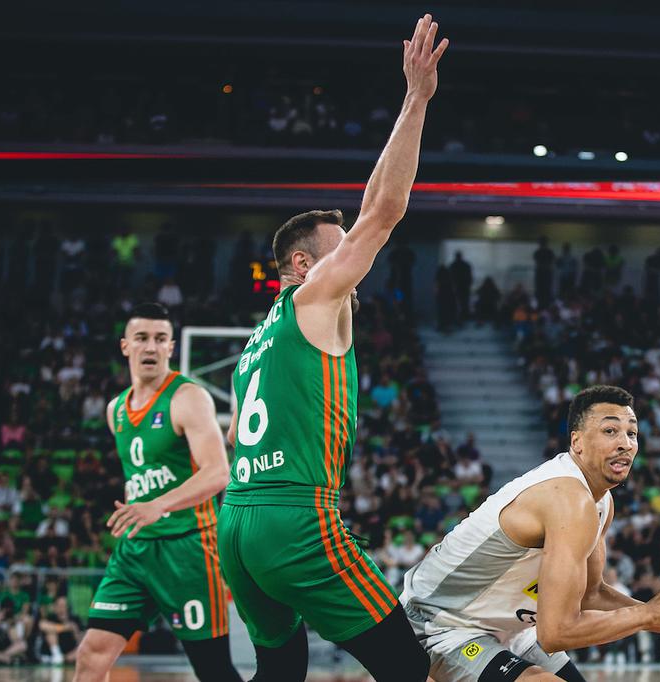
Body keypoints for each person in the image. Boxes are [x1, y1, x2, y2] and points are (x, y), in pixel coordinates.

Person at [218, 15, 448, 682]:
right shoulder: (313, 298)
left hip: (239, 519)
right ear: (299, 263)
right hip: (295, 518)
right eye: (334, 243)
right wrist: (417, 98)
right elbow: (385, 209)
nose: (352, 251)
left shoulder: (258, 341)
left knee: (280, 673)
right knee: (412, 668)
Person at [401, 385, 660, 681]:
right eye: (610, 431)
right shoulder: (567, 498)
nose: (624, 444)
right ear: (577, 442)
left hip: (509, 627)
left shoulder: (601, 501)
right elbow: (556, 632)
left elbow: (592, 594)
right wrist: (648, 615)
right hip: (440, 624)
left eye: (632, 433)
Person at [75, 303, 239, 682]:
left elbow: (218, 473)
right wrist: (145, 509)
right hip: (135, 552)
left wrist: (157, 505)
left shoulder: (188, 398)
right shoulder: (116, 409)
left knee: (213, 668)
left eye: (160, 339)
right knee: (91, 654)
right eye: (142, 338)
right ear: (125, 346)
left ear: (170, 347)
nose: (151, 347)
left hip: (189, 549)